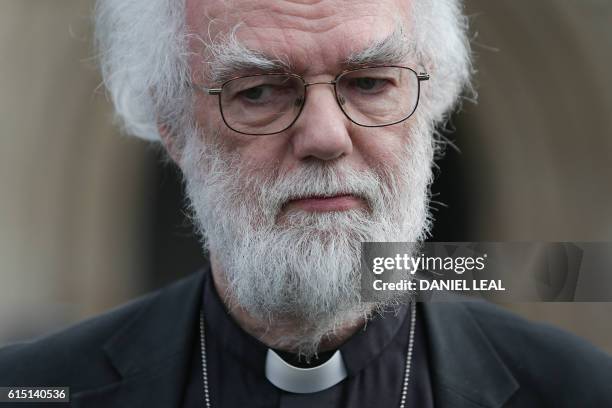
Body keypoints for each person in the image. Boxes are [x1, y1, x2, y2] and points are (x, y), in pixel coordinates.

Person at [1, 0, 611, 406]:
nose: (324, 136)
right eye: (260, 90)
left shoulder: (580, 391)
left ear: (433, 99)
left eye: (370, 83)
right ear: (174, 127)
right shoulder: (34, 389)